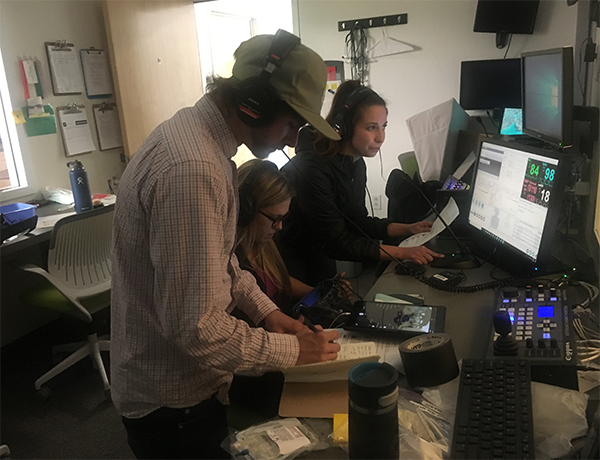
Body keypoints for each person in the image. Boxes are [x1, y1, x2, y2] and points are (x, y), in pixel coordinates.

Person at [110, 30, 341, 460]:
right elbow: (196, 328)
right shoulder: (192, 171)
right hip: (174, 403)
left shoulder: (201, 143)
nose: (292, 140)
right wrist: (293, 350)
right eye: (292, 123)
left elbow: (223, 264)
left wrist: (270, 314)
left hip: (185, 390)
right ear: (254, 103)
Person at [279, 80, 443, 286]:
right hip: (289, 258)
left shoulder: (355, 163)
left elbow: (357, 221)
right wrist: (402, 252)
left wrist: (407, 228)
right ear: (344, 128)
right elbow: (336, 242)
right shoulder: (312, 169)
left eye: (383, 127)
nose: (381, 137)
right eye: (371, 127)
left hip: (318, 252)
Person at [235, 159, 313, 312]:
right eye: (274, 218)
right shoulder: (231, 259)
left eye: (283, 218)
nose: (279, 226)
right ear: (246, 210)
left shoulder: (264, 246)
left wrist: (317, 292)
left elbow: (278, 281)